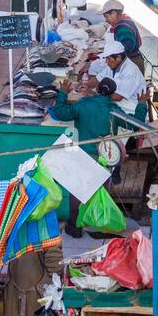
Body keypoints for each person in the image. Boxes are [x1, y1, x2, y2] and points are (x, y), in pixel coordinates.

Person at [50, 77, 118, 236]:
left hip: (83, 154)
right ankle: (98, 226)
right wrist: (142, 104)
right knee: (100, 193)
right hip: (103, 157)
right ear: (112, 94)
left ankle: (74, 227)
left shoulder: (83, 104)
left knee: (77, 191)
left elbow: (60, 113)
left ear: (98, 89)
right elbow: (134, 124)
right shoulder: (114, 110)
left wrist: (62, 94)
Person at [86, 40, 148, 116]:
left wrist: (94, 93)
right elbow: (98, 79)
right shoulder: (113, 65)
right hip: (117, 105)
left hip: (130, 110)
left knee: (92, 110)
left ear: (118, 58)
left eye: (109, 59)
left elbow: (117, 97)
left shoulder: (130, 71)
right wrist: (84, 84)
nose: (106, 61)